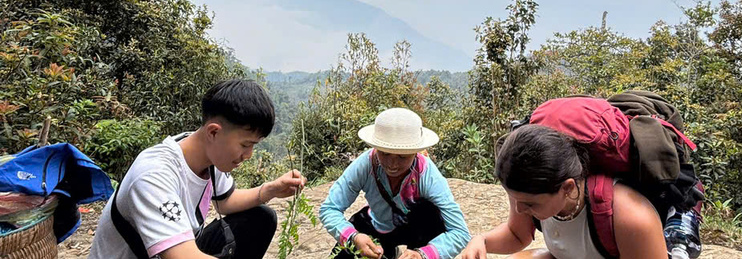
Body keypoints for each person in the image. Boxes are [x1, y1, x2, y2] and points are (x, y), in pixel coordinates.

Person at [88, 79, 307, 259]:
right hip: (173, 254)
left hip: (179, 249)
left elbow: (225, 202)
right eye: (245, 145)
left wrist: (270, 190)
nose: (248, 155)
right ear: (213, 132)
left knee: (260, 218)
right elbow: (183, 256)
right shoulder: (153, 175)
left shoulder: (209, 154)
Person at [462, 124, 667, 259]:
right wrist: (481, 241)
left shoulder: (630, 218)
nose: (520, 209)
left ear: (567, 187)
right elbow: (517, 234)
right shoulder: (528, 190)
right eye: (515, 199)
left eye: (530, 204)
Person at [320, 108, 471, 259]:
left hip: (419, 228)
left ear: (415, 152)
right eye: (385, 153)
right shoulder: (366, 165)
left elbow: (460, 232)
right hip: (377, 225)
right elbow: (330, 208)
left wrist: (423, 255)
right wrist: (353, 237)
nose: (392, 164)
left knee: (429, 213)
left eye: (402, 156)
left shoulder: (427, 174)